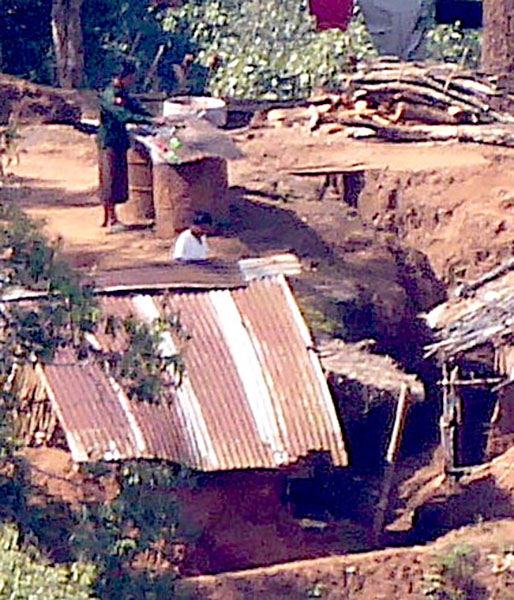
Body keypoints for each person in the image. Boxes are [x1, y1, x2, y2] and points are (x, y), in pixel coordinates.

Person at [97, 62, 153, 232]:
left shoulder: (122, 93)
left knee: (117, 178)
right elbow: (123, 115)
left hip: (119, 141)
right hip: (109, 142)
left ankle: (109, 218)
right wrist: (148, 121)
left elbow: (135, 107)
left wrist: (152, 117)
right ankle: (111, 219)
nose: (133, 80)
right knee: (110, 179)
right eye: (131, 77)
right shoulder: (110, 95)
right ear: (123, 77)